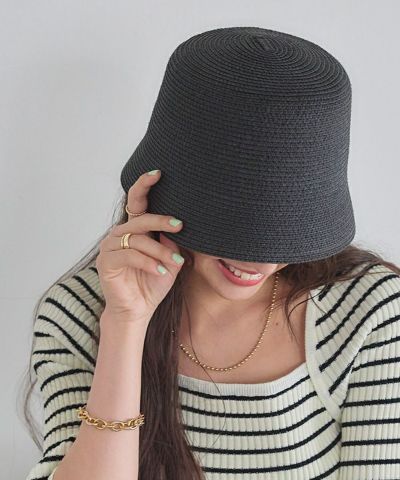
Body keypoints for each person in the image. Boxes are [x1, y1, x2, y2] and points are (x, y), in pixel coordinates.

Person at [23, 27, 400, 480]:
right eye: (236, 225)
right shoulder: (80, 313)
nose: (262, 261)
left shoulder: (369, 312)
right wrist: (126, 325)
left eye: (287, 230)